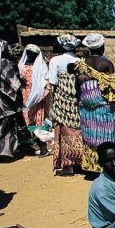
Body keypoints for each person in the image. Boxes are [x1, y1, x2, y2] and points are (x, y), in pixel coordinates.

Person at [0, 36, 46, 161]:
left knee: (18, 125)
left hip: (8, 101)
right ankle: (1, 152)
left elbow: (15, 83)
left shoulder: (5, 63)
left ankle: (39, 144)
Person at [73, 33, 115, 173]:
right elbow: (113, 85)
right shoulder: (106, 64)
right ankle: (103, 166)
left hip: (86, 105)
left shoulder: (82, 64)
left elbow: (77, 84)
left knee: (90, 134)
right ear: (102, 47)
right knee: (105, 134)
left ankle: (90, 165)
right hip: (103, 105)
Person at [47, 33, 83, 176]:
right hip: (77, 101)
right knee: (77, 131)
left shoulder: (55, 60)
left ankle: (68, 165)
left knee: (63, 131)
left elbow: (53, 83)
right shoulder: (80, 61)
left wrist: (54, 101)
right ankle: (80, 161)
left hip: (62, 101)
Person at [18, 44, 49, 126]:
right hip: (24, 92)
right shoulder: (21, 65)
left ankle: (36, 130)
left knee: (36, 111)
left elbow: (45, 80)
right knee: (25, 110)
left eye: (33, 54)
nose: (30, 55)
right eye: (29, 53)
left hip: (36, 92)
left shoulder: (42, 66)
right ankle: (26, 129)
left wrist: (41, 92)